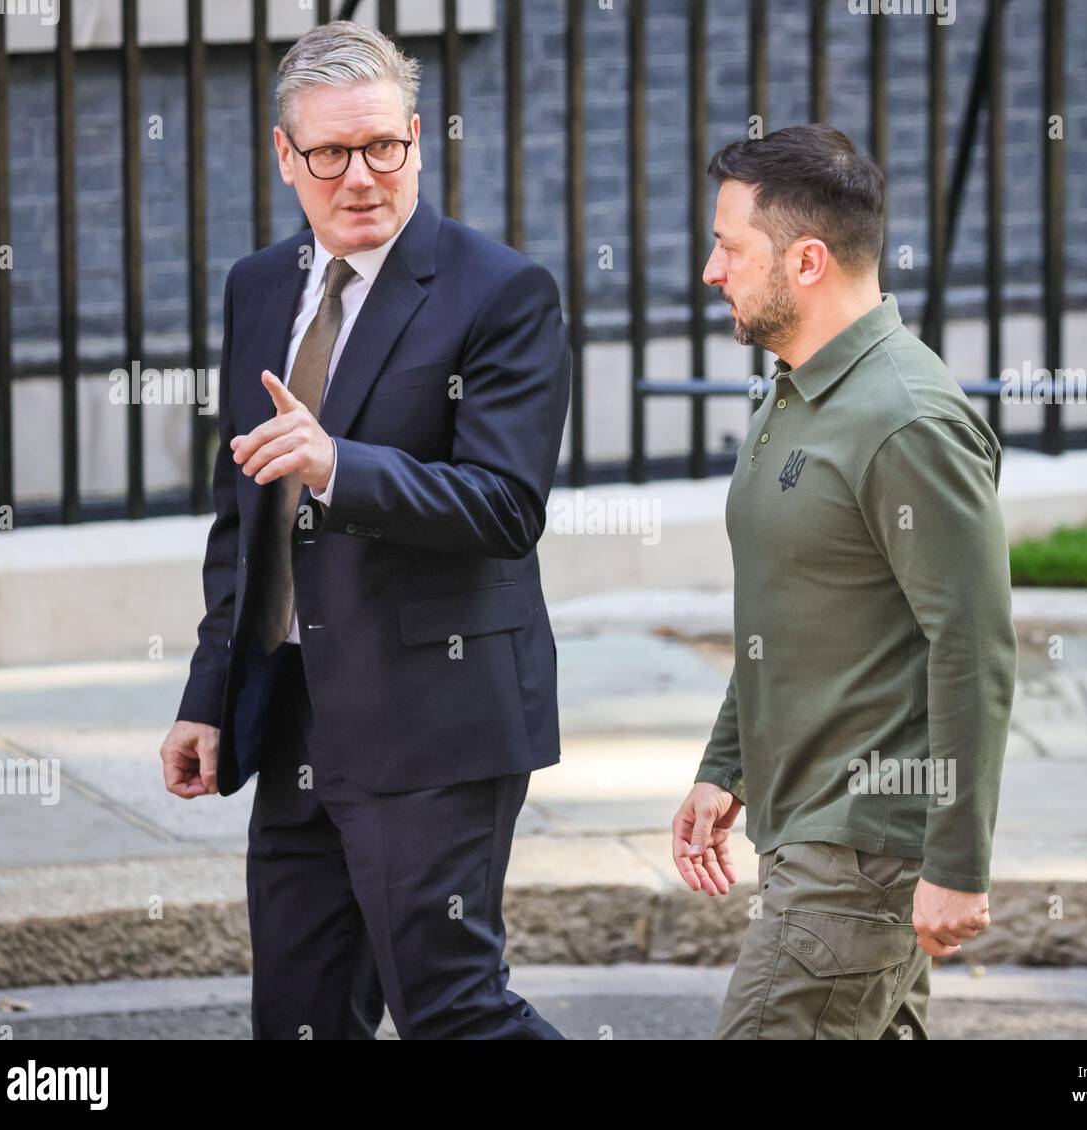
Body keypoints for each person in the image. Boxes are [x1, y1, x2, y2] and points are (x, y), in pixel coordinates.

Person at [157, 20, 569, 1040]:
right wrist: (211, 691)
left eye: (383, 145)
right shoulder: (259, 285)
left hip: (437, 714)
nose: (361, 176)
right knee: (297, 1017)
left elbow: (505, 506)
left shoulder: (500, 292)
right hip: (295, 714)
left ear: (419, 138)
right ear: (284, 155)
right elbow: (240, 512)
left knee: (455, 1011)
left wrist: (338, 465)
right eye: (332, 153)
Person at [671, 123, 1018, 1040]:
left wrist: (957, 863)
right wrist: (727, 766)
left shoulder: (904, 420)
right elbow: (793, 608)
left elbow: (973, 646)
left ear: (809, 260)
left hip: (860, 855)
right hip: (806, 834)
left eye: (730, 246)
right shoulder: (794, 392)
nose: (712, 271)